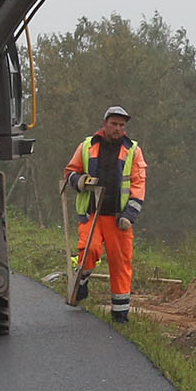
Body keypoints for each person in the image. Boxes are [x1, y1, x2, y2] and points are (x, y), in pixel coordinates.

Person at [62, 105, 148, 322]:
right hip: (92, 213)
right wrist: (79, 181)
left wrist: (129, 216)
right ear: (105, 124)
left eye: (122, 125)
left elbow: (138, 185)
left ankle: (120, 314)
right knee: (89, 249)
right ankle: (82, 281)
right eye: (114, 124)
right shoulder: (87, 146)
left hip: (119, 218)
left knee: (121, 263)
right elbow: (70, 171)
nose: (118, 128)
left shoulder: (133, 151)